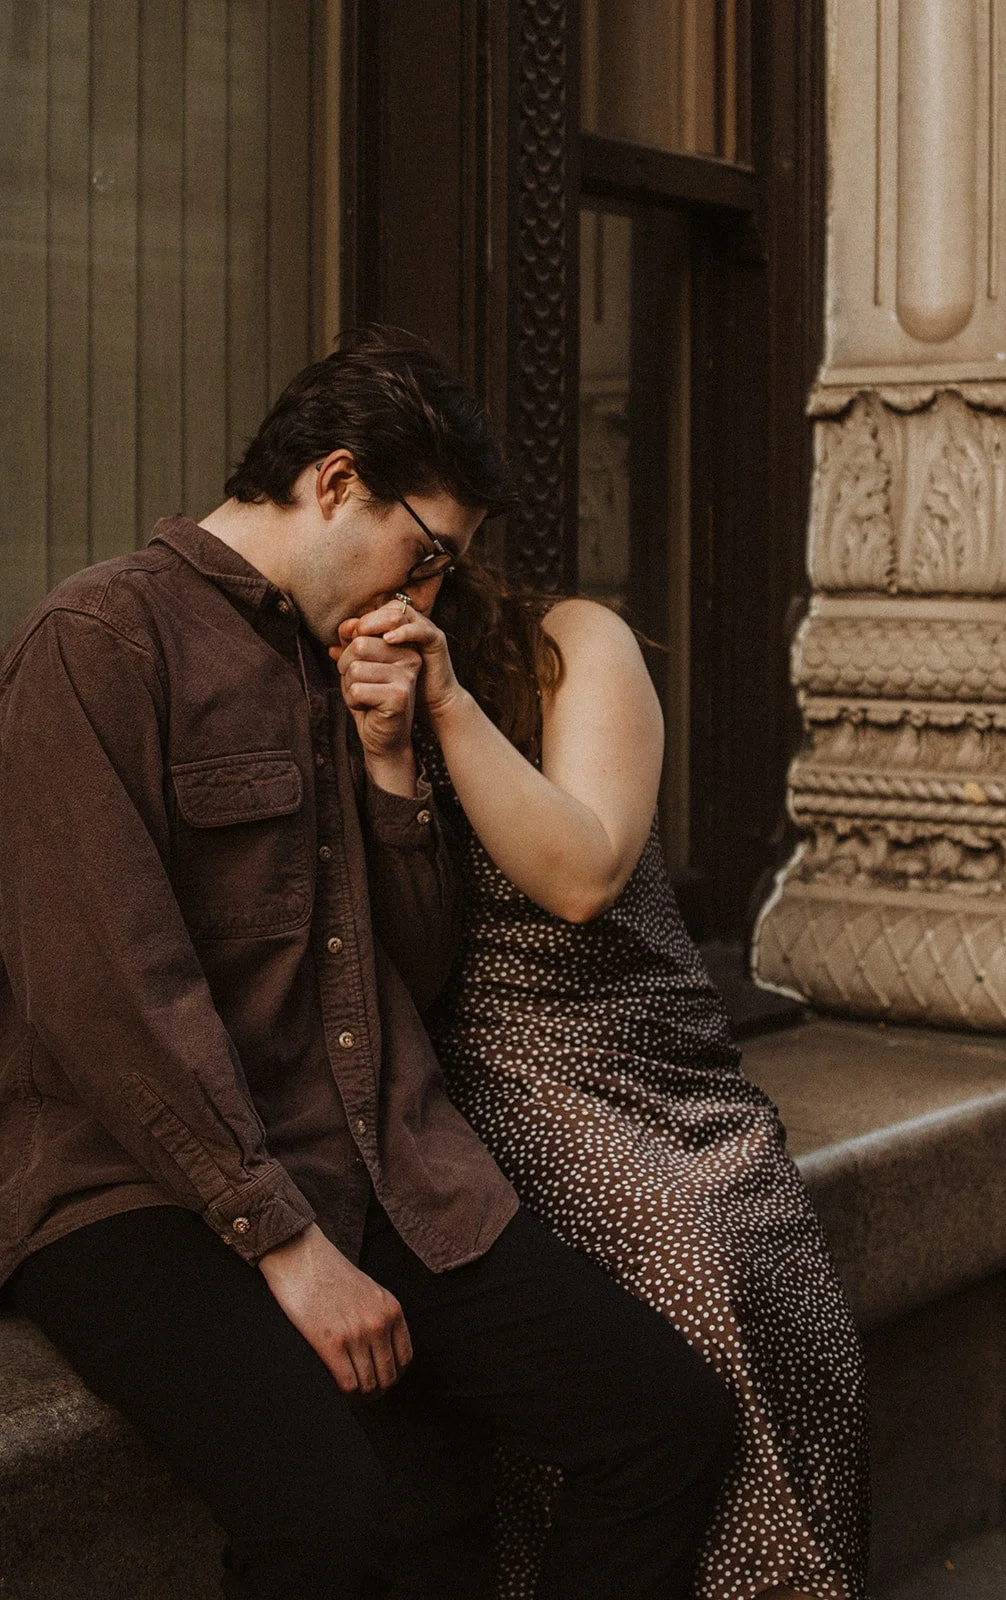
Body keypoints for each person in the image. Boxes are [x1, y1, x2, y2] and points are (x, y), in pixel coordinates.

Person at [0, 331, 738, 1600]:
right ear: (337, 482)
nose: (430, 592)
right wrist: (284, 1244)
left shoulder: (343, 659)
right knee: (334, 1518)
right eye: (429, 550)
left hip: (379, 1162)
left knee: (666, 1421)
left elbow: (422, 967)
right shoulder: (100, 640)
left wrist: (394, 767)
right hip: (134, 1191)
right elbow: (112, 998)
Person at [332, 547, 871, 1599]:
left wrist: (445, 703)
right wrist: (384, 754)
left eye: (420, 552)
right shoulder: (315, 690)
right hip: (501, 1071)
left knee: (793, 1298)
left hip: (653, 1040)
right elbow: (392, 961)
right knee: (695, 1275)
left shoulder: (574, 642)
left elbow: (584, 875)